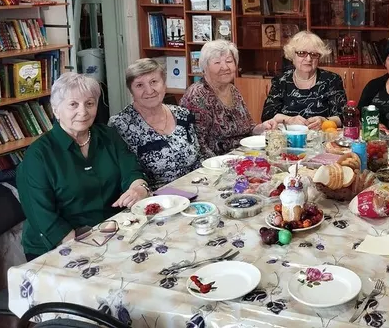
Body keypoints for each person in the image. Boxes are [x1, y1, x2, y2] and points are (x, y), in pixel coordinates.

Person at [16, 73, 148, 260]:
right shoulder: (38, 155)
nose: (83, 111)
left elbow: (132, 171)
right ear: (56, 110)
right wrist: (86, 250)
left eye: (89, 103)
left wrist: (139, 188)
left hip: (110, 231)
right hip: (59, 244)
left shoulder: (108, 136)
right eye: (73, 104)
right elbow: (42, 216)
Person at [109, 58, 201, 189]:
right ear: (131, 91)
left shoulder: (183, 114)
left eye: (153, 82)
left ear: (164, 84)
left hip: (194, 189)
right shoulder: (120, 125)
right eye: (139, 85)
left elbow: (198, 158)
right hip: (153, 197)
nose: (149, 90)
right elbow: (122, 176)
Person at [180, 40, 276, 156]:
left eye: (229, 61)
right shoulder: (197, 95)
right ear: (205, 67)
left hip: (244, 154)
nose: (225, 67)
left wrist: (261, 127)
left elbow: (248, 127)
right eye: (217, 62)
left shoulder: (232, 90)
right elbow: (198, 146)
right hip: (217, 160)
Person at [261, 30, 346, 130]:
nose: (309, 59)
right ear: (292, 56)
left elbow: (343, 117)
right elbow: (267, 115)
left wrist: (324, 121)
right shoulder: (281, 81)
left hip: (321, 136)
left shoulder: (332, 80)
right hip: (288, 136)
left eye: (314, 54)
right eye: (302, 53)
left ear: (319, 57)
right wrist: (289, 120)